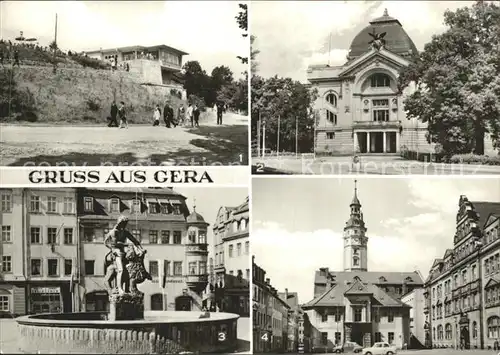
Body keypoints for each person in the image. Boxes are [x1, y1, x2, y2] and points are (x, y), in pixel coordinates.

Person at [104, 216, 143, 294]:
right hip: (116, 251)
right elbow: (115, 243)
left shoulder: (125, 232)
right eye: (124, 223)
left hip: (122, 251)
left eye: (125, 223)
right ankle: (120, 288)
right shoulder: (114, 231)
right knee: (121, 269)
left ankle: (128, 289)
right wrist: (126, 244)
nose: (125, 225)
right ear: (120, 223)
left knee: (129, 268)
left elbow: (134, 240)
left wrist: (140, 248)